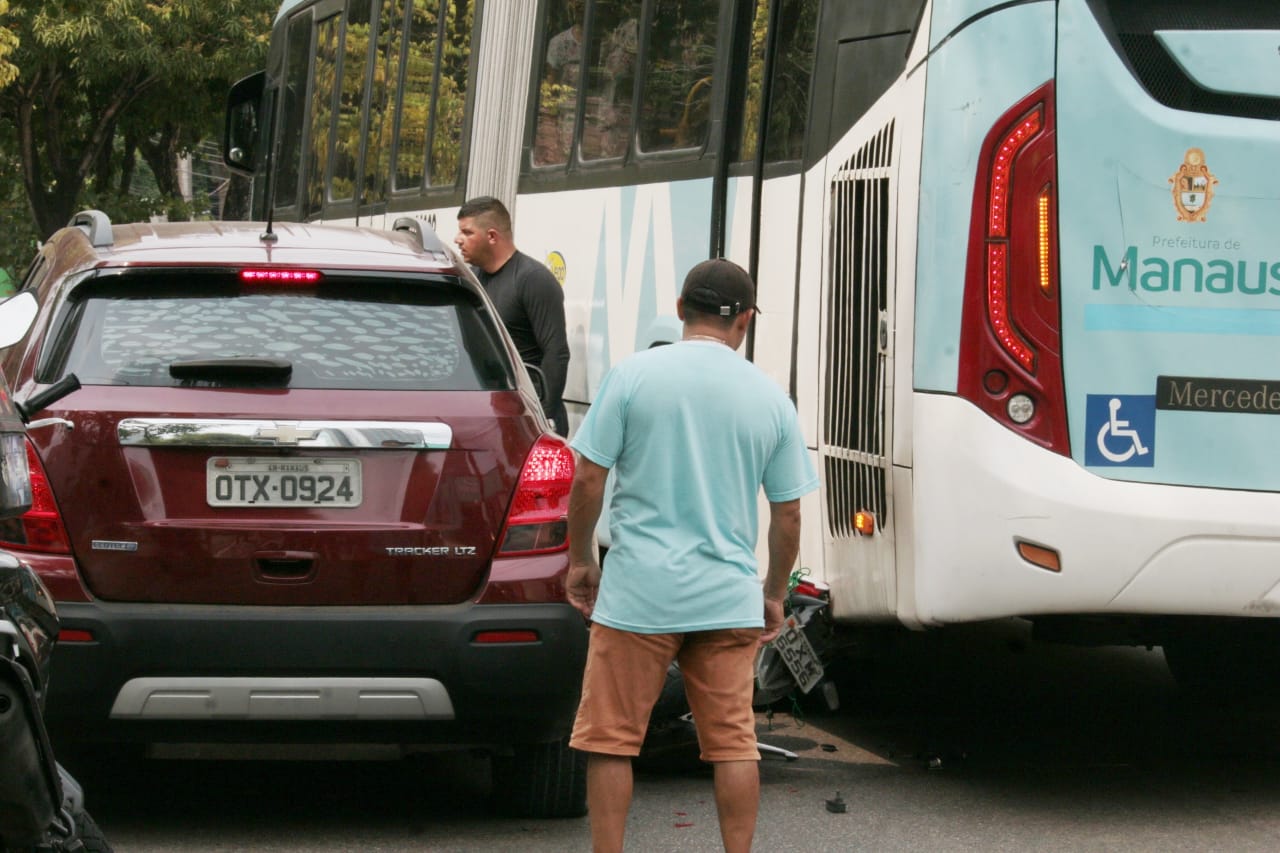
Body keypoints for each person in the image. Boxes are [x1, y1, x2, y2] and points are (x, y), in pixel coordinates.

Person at [565, 258, 819, 853]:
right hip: (727, 598)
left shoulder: (631, 377)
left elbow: (586, 481)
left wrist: (582, 560)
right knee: (734, 743)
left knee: (611, 741)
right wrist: (774, 594)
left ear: (680, 309)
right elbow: (789, 513)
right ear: (747, 321)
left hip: (637, 596)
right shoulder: (770, 398)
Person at [455, 196, 570, 435]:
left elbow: (556, 353)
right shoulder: (473, 278)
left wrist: (542, 417)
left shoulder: (533, 279)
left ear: (492, 236)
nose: (458, 240)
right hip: (491, 411)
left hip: (529, 416)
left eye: (467, 232)